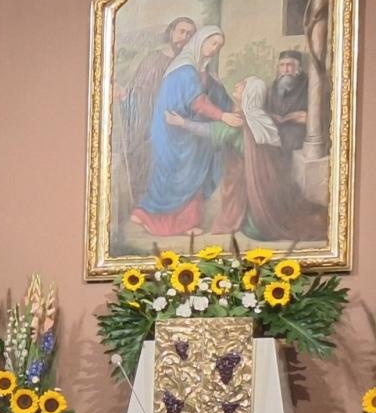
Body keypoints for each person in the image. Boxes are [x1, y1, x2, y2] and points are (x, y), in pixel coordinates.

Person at [173, 76, 325, 243]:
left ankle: (256, 220)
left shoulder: (239, 122)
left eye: (242, 85)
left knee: (253, 225)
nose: (237, 85)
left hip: (256, 192)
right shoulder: (264, 119)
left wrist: (182, 123)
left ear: (249, 94)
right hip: (272, 187)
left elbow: (209, 130)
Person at [133, 25, 239, 238]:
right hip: (174, 131)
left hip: (184, 131)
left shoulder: (198, 70)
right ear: (200, 41)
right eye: (212, 43)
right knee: (178, 175)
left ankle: (156, 215)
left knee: (186, 175)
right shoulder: (185, 69)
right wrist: (223, 116)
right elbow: (197, 102)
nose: (215, 48)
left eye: (219, 45)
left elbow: (210, 96)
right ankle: (159, 220)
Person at [121, 16, 197, 201]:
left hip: (179, 122)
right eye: (181, 32)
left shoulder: (190, 63)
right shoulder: (153, 60)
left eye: (190, 34)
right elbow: (137, 92)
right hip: (151, 120)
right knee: (148, 161)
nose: (185, 37)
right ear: (171, 32)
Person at [266, 49, 309, 154]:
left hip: (298, 132)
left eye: (289, 65)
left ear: (298, 68)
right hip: (277, 129)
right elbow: (267, 109)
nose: (285, 70)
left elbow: (316, 117)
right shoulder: (275, 85)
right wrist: (273, 116)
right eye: (282, 65)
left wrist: (297, 117)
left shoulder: (307, 85)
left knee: (290, 140)